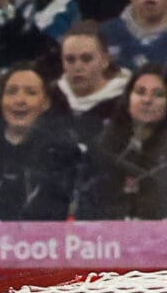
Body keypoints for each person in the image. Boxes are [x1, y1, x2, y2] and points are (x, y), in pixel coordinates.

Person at [0, 62, 80, 218]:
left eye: (31, 93)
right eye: (11, 92)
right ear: (0, 101)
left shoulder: (63, 150)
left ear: (46, 103)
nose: (20, 100)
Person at [71, 64, 167, 218]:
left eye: (158, 94)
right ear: (128, 98)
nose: (147, 100)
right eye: (140, 92)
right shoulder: (101, 148)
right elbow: (85, 211)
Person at [53, 22, 127, 137]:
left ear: (105, 60)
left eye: (86, 59)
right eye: (70, 59)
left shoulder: (124, 102)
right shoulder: (51, 96)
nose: (78, 67)